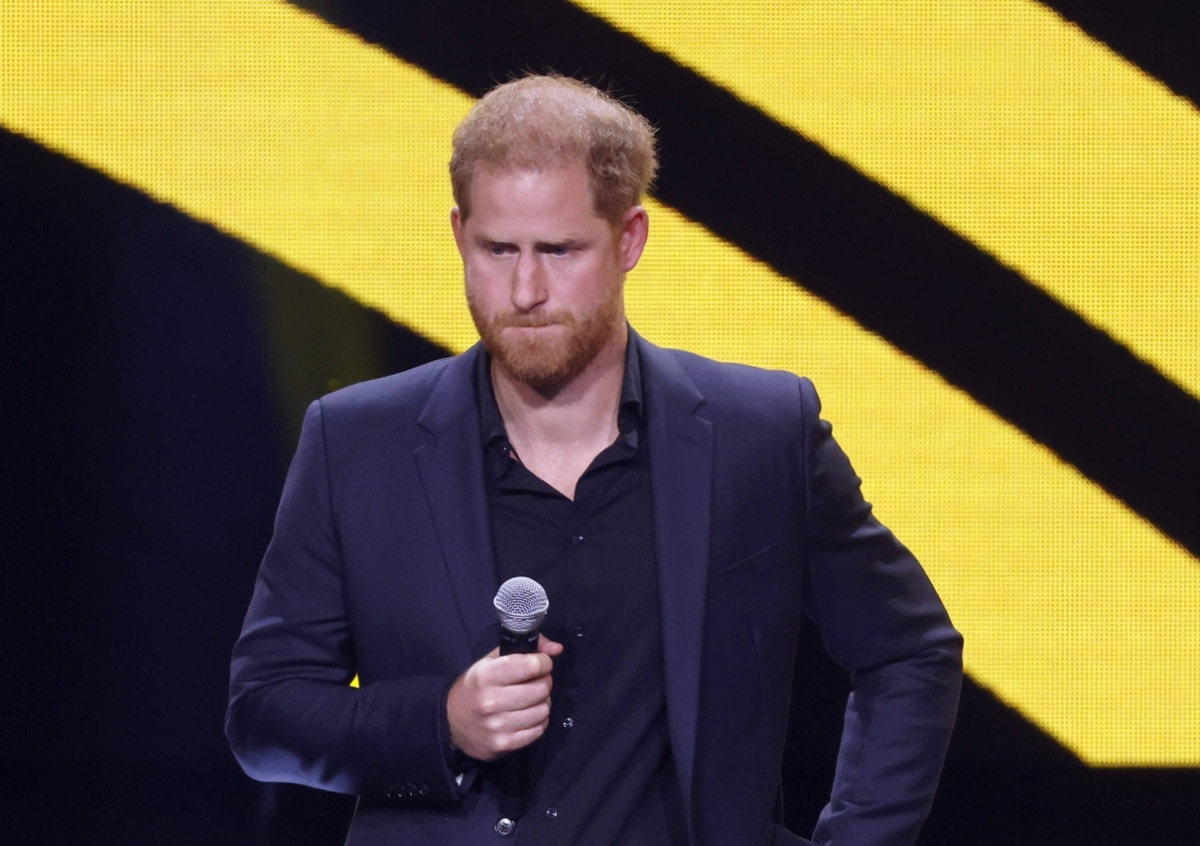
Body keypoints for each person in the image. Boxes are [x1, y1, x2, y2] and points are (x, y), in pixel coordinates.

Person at [226, 74, 963, 846]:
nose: (525, 289)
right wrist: (441, 723)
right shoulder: (356, 444)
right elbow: (264, 714)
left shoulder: (761, 434)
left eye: (560, 250)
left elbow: (910, 648)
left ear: (629, 239)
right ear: (459, 234)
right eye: (498, 249)